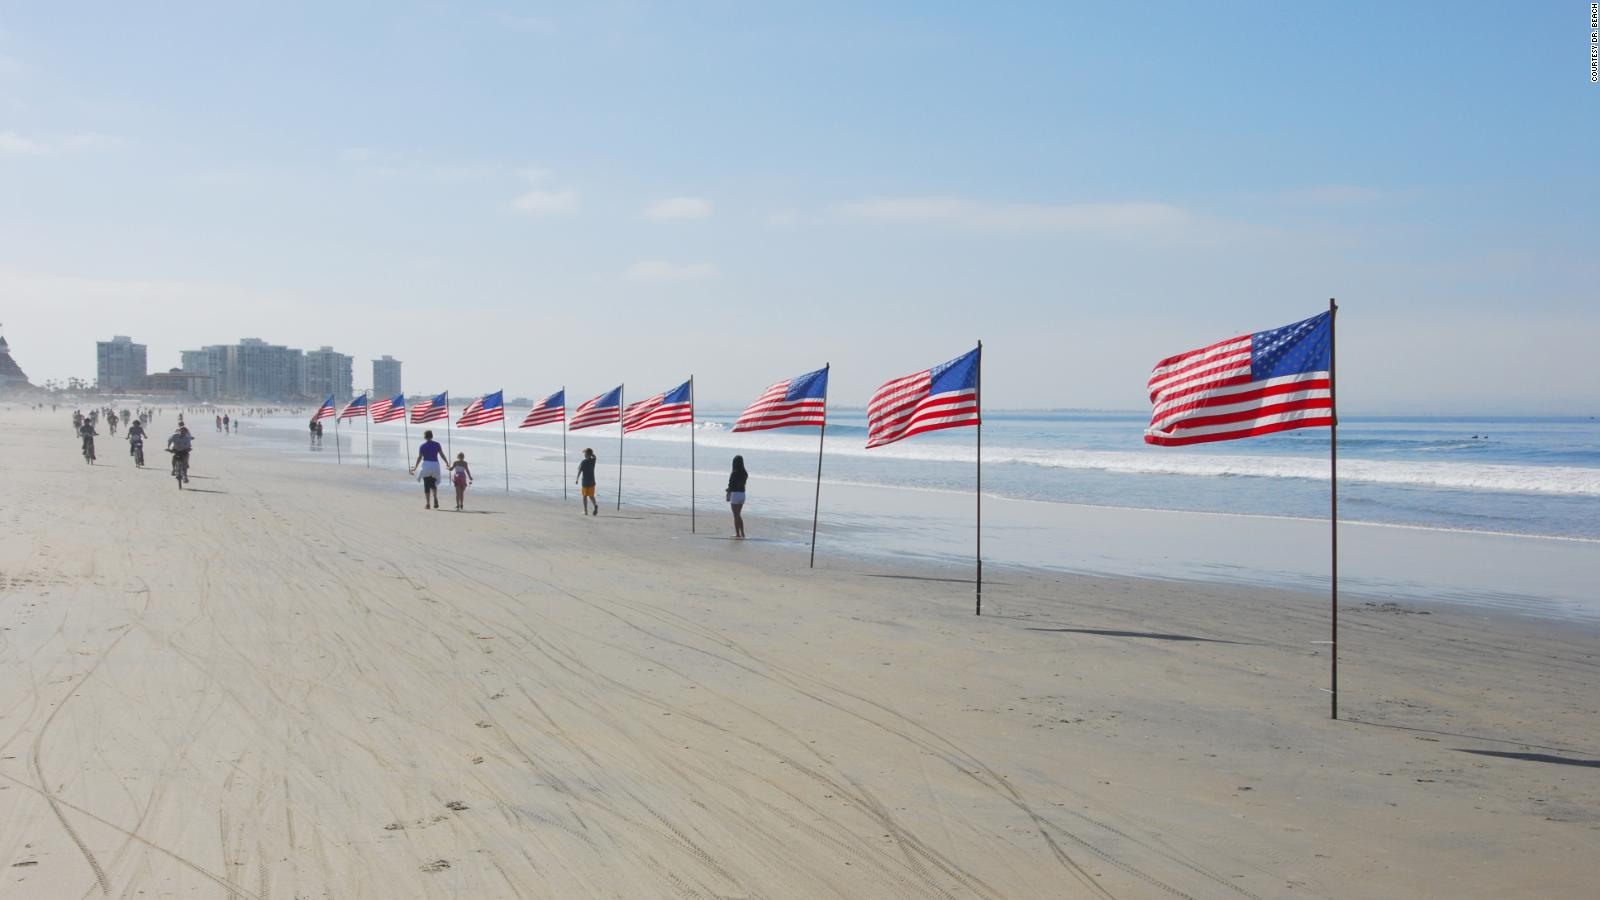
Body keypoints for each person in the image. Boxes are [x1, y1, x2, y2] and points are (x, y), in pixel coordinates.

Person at [410, 430, 447, 509]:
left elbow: (420, 457)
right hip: (435, 465)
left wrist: (415, 468)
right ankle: (435, 496)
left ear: (425, 436)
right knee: (433, 482)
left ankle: (428, 504)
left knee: (426, 483)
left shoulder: (422, 446)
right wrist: (447, 462)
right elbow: (441, 455)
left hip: (426, 464)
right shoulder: (437, 444)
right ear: (432, 436)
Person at [725, 455, 748, 539]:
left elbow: (731, 485)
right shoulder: (745, 473)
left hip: (735, 494)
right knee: (738, 514)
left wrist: (728, 493)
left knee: (736, 515)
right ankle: (742, 533)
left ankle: (738, 533)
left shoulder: (734, 473)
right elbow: (740, 484)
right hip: (742, 494)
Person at [576, 448, 599, 515]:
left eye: (585, 453)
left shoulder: (583, 462)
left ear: (587, 454)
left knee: (584, 496)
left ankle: (585, 511)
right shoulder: (593, 460)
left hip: (585, 482)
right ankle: (595, 505)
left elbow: (579, 471)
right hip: (592, 482)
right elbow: (595, 456)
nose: (584, 455)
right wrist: (591, 454)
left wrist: (577, 479)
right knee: (591, 496)